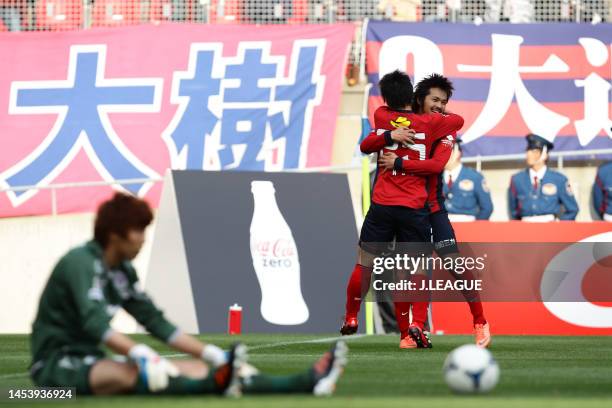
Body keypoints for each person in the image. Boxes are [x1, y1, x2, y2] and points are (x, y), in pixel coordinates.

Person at [30, 192, 347, 396]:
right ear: (114, 235)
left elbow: (155, 321)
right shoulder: (80, 264)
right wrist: (141, 354)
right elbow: (94, 324)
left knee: (200, 370)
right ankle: (218, 386)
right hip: (54, 368)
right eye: (138, 231)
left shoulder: (122, 270)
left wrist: (211, 355)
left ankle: (306, 382)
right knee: (136, 372)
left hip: (93, 360)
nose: (143, 239)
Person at [340, 70, 464, 349]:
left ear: (385, 96)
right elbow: (458, 120)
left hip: (382, 204)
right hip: (413, 207)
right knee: (417, 269)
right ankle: (415, 326)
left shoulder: (382, 117)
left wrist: (389, 135)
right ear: (413, 95)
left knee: (364, 263)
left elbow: (364, 145)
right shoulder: (430, 122)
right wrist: (440, 114)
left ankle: (350, 316)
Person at [378, 73, 491, 348]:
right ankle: (412, 331)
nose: (440, 105)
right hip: (404, 208)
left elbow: (436, 166)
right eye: (435, 100)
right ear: (419, 99)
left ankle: (479, 320)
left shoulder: (445, 129)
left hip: (432, 209)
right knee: (409, 270)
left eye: (444, 101)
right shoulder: (401, 123)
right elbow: (378, 128)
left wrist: (399, 164)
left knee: (454, 264)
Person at [509, 134, 579, 221]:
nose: (529, 154)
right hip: (525, 227)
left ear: (544, 155)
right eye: (528, 151)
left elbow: (572, 209)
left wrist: (560, 226)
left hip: (550, 228)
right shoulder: (517, 179)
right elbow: (514, 211)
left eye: (534, 151)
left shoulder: (559, 179)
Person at [442, 138, 493, 221]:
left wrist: (476, 227)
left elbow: (487, 208)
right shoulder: (434, 178)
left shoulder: (474, 177)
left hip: (467, 226)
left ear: (457, 153)